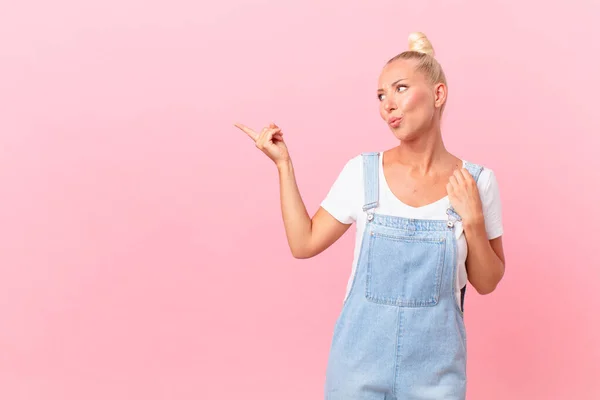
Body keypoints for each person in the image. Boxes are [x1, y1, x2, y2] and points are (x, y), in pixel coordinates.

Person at [235, 32, 505, 400]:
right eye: (381, 95)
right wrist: (284, 165)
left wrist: (472, 221)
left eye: (400, 89)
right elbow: (303, 243)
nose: (388, 105)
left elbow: (487, 282)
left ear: (438, 94)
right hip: (357, 371)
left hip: (436, 376)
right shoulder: (362, 174)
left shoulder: (476, 182)